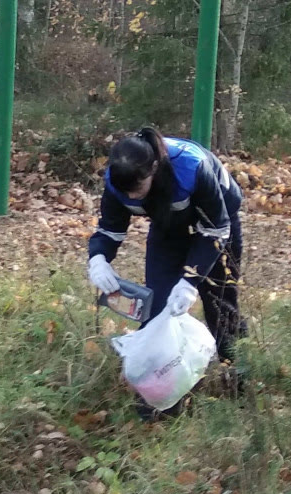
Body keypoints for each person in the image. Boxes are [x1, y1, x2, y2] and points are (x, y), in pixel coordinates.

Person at [87, 126, 244, 364]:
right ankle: (158, 390)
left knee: (220, 305)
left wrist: (190, 281)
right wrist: (98, 259)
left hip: (217, 223)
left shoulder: (191, 167)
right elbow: (110, 228)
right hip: (168, 224)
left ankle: (237, 377)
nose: (131, 198)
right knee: (157, 305)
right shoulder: (118, 180)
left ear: (153, 168)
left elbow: (216, 229)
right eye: (125, 193)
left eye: (137, 190)